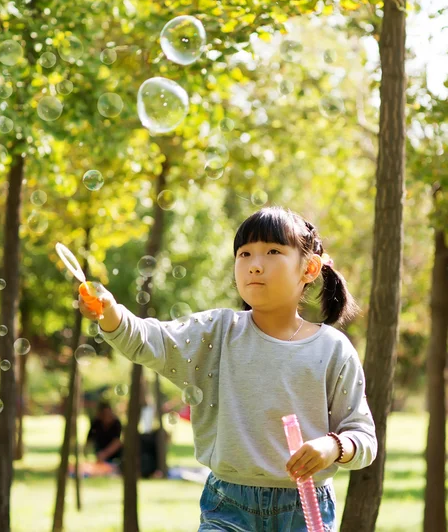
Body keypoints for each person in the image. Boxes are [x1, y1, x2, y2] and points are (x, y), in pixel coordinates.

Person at [77, 206, 377, 531]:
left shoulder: (332, 348)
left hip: (304, 508)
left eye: (273, 251)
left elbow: (363, 437)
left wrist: (333, 446)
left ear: (309, 268)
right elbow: (150, 340)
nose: (255, 265)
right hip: (228, 505)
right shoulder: (218, 332)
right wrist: (109, 312)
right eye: (244, 254)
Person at [85, 401, 124, 466]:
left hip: (114, 454)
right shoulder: (96, 423)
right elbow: (89, 439)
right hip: (100, 450)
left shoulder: (116, 423)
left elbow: (117, 442)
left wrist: (104, 454)